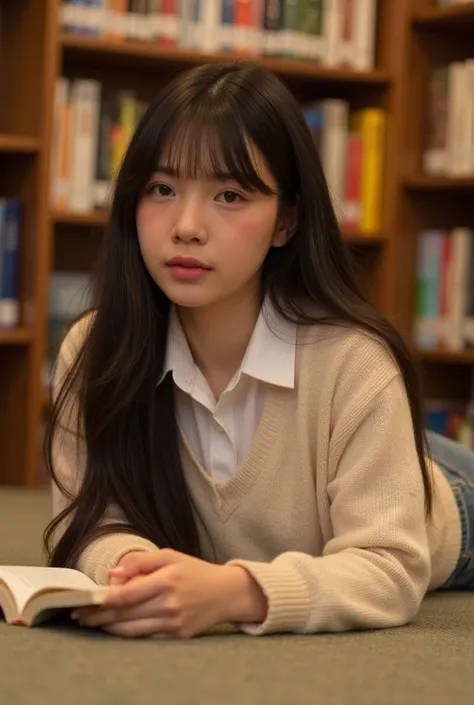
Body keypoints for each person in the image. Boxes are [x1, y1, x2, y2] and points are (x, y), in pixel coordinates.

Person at [44, 62, 470, 641]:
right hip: (349, 456)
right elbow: (93, 523)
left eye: (229, 195)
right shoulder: (96, 349)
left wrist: (233, 593)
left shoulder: (354, 360)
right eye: (162, 189)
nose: (187, 226)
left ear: (286, 222)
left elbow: (390, 566)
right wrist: (134, 573)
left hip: (446, 502)